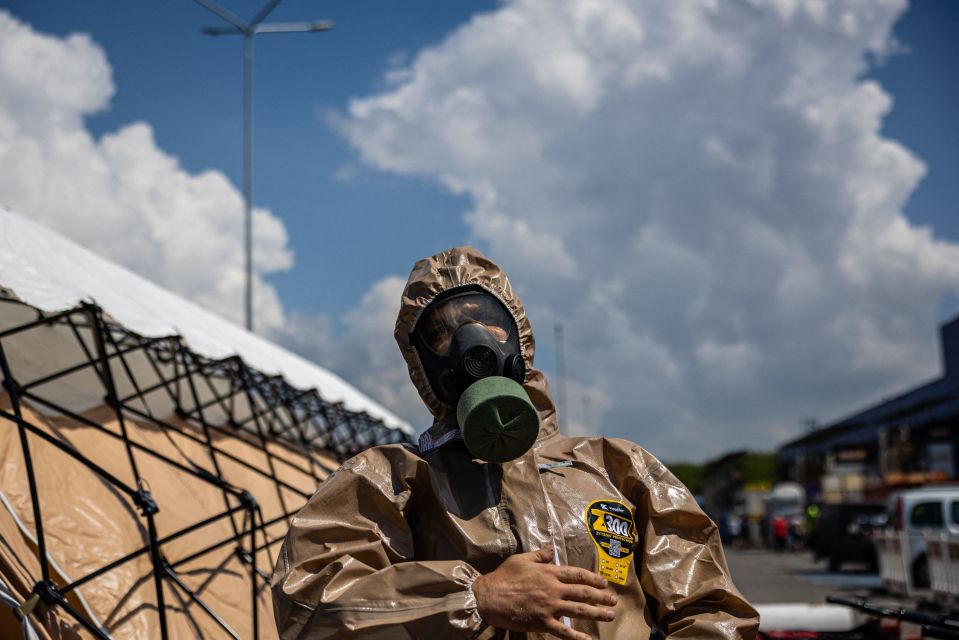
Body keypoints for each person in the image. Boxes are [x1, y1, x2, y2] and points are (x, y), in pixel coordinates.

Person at [271, 246, 759, 639]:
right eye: (441, 334)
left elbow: (712, 611)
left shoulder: (617, 467)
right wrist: (476, 597)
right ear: (420, 363)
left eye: (487, 320)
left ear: (519, 337)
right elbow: (308, 605)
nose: (471, 345)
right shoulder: (391, 480)